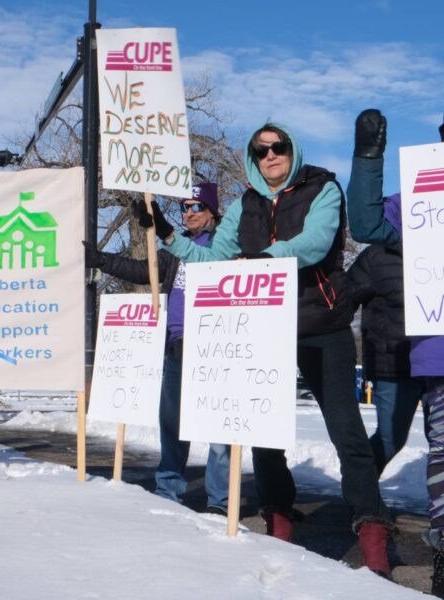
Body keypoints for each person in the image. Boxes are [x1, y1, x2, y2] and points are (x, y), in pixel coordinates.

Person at [139, 122, 393, 577]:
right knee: (262, 431)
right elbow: (213, 258)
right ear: (252, 158)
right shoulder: (244, 205)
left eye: (279, 147)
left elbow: (314, 244)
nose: (270, 156)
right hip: (263, 325)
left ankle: (371, 527)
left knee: (346, 431)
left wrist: (266, 259)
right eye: (261, 151)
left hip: (320, 321)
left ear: (293, 149)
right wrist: (168, 236)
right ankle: (278, 514)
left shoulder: (322, 187)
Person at [85, 183, 231, 513]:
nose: (189, 213)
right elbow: (143, 270)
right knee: (172, 423)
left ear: (211, 211)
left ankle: (220, 501)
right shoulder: (175, 250)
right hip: (176, 348)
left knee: (218, 427)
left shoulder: (226, 245)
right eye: (185, 207)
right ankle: (168, 492)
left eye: (196, 207)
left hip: (217, 349)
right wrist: (100, 260)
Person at [347, 109, 444, 596]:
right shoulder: (423, 204)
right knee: (419, 446)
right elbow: (364, 221)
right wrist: (368, 157)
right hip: (424, 358)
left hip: (422, 355)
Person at [347, 196, 423, 475]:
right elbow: (343, 301)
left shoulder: (436, 253)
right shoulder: (375, 257)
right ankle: (360, 492)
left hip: (436, 363)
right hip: (393, 365)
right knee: (391, 439)